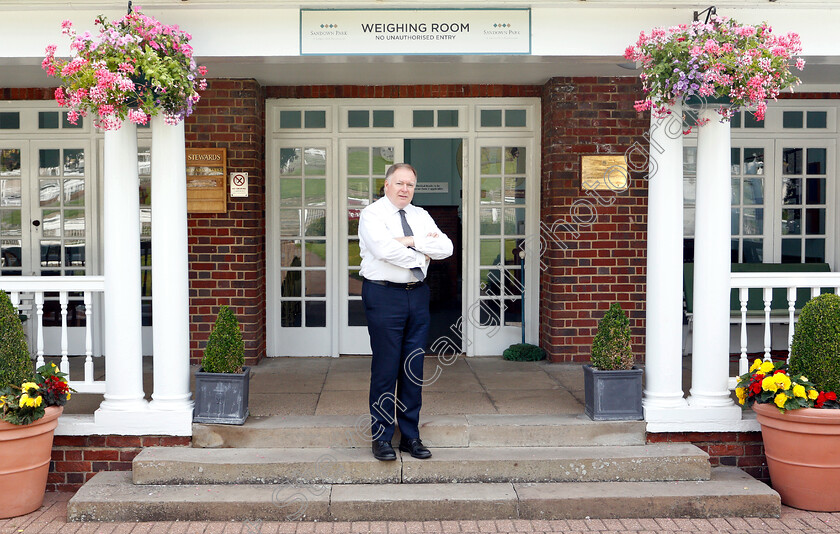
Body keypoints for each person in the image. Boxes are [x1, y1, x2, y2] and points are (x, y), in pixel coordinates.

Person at [358, 163, 453, 461]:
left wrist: (410, 241)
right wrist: (423, 251)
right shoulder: (372, 214)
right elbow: (384, 251)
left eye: (410, 185)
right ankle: (382, 437)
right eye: (399, 183)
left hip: (417, 295)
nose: (404, 189)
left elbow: (447, 248)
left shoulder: (420, 215)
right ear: (386, 185)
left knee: (413, 369)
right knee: (386, 369)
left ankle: (410, 436)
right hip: (384, 295)